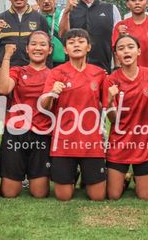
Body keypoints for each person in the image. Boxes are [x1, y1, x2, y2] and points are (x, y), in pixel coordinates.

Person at [41, 28, 107, 201]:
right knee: (63, 197)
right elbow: (45, 107)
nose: (76, 45)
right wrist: (52, 94)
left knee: (97, 197)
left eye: (80, 41)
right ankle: (74, 173)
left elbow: (107, 106)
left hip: (91, 141)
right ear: (64, 49)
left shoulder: (99, 74)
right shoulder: (56, 73)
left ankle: (96, 176)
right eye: (71, 42)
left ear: (88, 47)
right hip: (64, 141)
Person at [103, 35, 148, 200]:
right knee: (113, 196)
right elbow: (113, 120)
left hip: (144, 143)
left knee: (145, 196)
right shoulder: (111, 80)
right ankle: (125, 178)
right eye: (121, 48)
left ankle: (139, 177)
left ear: (139, 51)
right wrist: (109, 101)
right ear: (116, 55)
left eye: (130, 47)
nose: (126, 51)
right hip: (119, 144)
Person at [0, 33, 54, 198]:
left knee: (39, 193)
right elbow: (3, 89)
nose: (38, 48)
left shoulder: (54, 74)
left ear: (49, 50)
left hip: (42, 133)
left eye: (43, 44)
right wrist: (7, 56)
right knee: (9, 193)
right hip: (16, 133)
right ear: (27, 49)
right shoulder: (17, 70)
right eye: (34, 44)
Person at [58, 0, 121, 73]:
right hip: (75, 70)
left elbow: (117, 41)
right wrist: (66, 12)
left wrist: (117, 67)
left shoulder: (111, 9)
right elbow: (63, 36)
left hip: (103, 68)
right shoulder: (68, 10)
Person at [0, 0, 50, 67]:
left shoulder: (40, 18)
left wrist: (48, 72)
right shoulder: (0, 18)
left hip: (32, 73)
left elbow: (47, 48)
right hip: (7, 72)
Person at [111, 0, 148, 73]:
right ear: (128, 4)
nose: (137, 3)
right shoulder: (120, 26)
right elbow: (116, 53)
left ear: (147, 3)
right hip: (127, 76)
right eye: (133, 0)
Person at [34, 0, 66, 66]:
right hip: (38, 63)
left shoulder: (64, 15)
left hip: (61, 63)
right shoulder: (33, 16)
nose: (46, 1)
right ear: (37, 1)